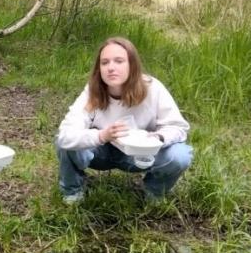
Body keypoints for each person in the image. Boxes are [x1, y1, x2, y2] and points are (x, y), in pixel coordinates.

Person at [55, 36, 193, 203]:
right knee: (67, 143)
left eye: (119, 61)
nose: (111, 67)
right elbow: (65, 135)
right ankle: (72, 191)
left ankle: (154, 191)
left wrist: (157, 138)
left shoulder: (152, 88)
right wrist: (101, 136)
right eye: (105, 62)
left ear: (132, 65)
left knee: (180, 155)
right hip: (100, 152)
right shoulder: (93, 91)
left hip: (139, 155)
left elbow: (178, 127)